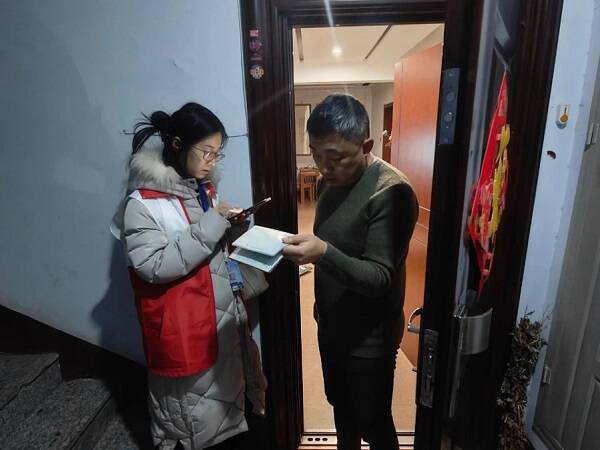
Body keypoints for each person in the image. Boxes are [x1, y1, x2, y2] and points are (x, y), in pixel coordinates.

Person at [113, 102, 266, 450]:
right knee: (194, 423)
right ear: (178, 144)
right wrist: (213, 224)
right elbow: (153, 265)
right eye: (207, 151)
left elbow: (204, 247)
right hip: (186, 328)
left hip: (219, 319)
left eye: (218, 153)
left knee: (225, 414)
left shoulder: (202, 188)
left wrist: (231, 225)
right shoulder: (142, 203)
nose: (213, 160)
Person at [282, 94, 418, 450]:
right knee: (341, 409)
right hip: (331, 324)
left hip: (370, 338)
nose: (324, 168)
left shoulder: (392, 192)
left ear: (366, 146)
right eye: (316, 154)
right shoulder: (329, 181)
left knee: (373, 422)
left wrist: (323, 253)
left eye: (336, 157)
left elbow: (380, 277)